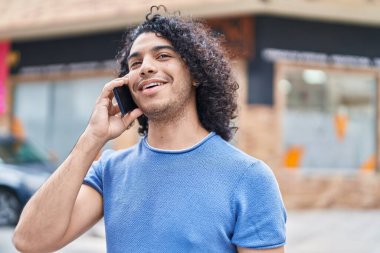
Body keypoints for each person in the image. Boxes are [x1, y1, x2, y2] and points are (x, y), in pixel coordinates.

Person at [13, 6, 286, 253]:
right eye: (135, 63)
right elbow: (30, 241)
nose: (146, 68)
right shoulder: (110, 171)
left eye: (163, 55)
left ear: (195, 74)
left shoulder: (249, 178)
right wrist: (91, 139)